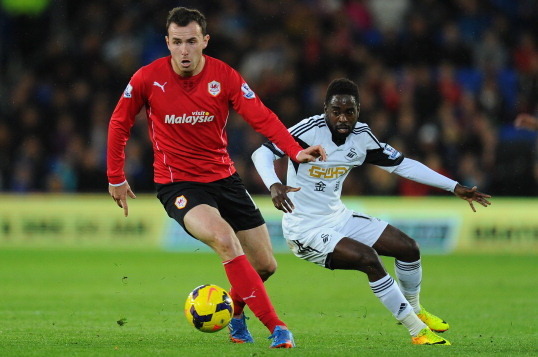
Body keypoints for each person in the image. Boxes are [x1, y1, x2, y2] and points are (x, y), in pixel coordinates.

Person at [107, 7, 327, 348]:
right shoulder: (147, 78)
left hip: (225, 180)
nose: (184, 50)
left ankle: (235, 312)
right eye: (177, 42)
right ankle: (276, 326)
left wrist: (293, 150)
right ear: (167, 42)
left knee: (266, 265)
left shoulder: (224, 76)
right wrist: (115, 175)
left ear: (204, 41)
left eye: (191, 41)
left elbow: (262, 117)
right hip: (178, 185)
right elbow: (120, 122)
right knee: (225, 239)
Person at [251, 78, 492, 345]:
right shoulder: (307, 131)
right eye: (336, 111)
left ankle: (416, 310)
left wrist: (454, 187)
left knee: (408, 248)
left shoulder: (362, 137)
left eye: (349, 112)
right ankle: (416, 331)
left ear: (358, 111)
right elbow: (261, 153)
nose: (343, 118)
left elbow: (402, 165)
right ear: (325, 110)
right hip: (304, 229)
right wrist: (274, 185)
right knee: (368, 259)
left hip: (338, 217)